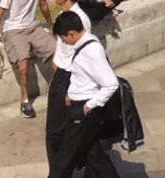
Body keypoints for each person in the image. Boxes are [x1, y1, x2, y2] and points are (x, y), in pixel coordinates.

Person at [51, 10, 120, 178]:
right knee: (93, 154)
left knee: (65, 157)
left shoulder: (91, 50)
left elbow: (111, 84)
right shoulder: (84, 43)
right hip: (79, 106)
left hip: (83, 112)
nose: (64, 43)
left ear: (71, 33)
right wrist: (71, 94)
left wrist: (86, 107)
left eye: (63, 38)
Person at [0, 0, 55, 118]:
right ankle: (24, 101)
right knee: (23, 62)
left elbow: (44, 5)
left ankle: (58, 91)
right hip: (12, 30)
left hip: (32, 27)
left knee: (57, 52)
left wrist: (51, 25)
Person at [47, 0, 93, 174]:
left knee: (57, 132)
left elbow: (81, 57)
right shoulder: (64, 16)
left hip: (68, 80)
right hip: (60, 77)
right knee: (55, 130)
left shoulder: (80, 20)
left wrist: (72, 89)